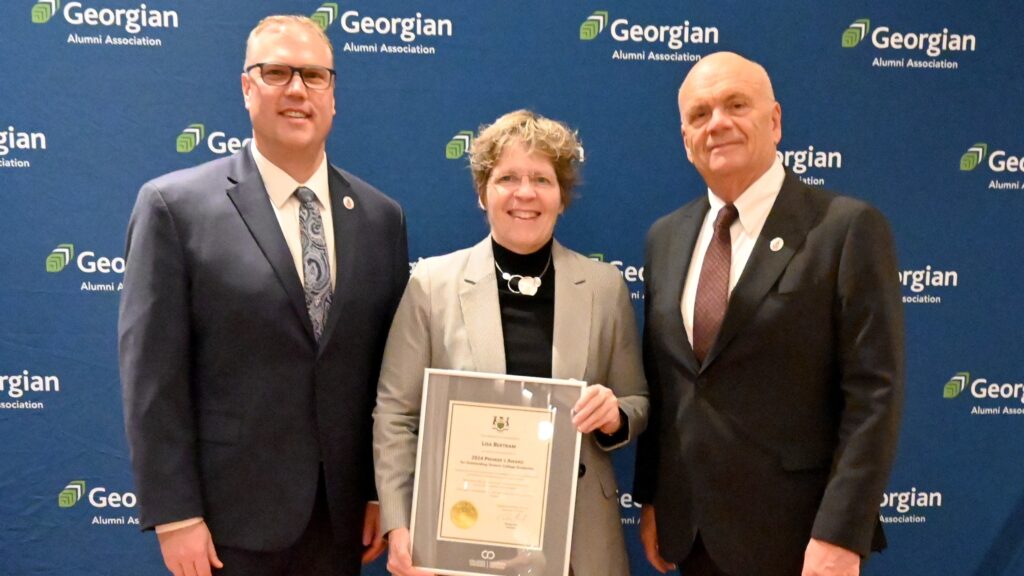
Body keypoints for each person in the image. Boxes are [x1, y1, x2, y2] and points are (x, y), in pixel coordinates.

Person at [118, 15, 408, 576]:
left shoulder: (381, 217)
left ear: (333, 93)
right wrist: (175, 515)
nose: (297, 90)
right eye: (276, 72)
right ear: (247, 87)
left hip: (344, 523)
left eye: (314, 76)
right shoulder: (174, 208)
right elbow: (152, 376)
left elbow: (385, 375)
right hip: (228, 528)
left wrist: (380, 493)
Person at [634, 52, 904, 576]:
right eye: (700, 114)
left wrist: (841, 534)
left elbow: (875, 396)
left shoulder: (845, 229)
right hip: (692, 535)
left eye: (737, 105)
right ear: (685, 138)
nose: (718, 124)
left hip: (801, 540)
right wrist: (654, 499)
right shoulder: (664, 238)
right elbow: (667, 384)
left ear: (775, 120)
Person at [373, 109, 648, 576]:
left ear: (562, 197)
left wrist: (615, 414)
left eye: (542, 179)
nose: (525, 193)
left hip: (580, 545)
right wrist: (399, 525)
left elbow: (636, 401)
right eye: (507, 178)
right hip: (462, 542)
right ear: (483, 192)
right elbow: (396, 414)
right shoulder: (432, 284)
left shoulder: (604, 287)